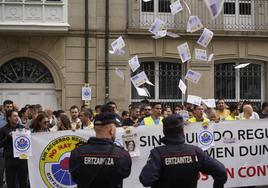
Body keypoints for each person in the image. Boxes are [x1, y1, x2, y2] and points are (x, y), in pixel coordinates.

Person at [139, 114, 227, 188]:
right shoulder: (195, 152)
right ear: (182, 130)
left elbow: (145, 179)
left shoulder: (157, 153)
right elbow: (221, 171)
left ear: (164, 131)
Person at [69, 112, 132, 188]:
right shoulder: (122, 155)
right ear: (112, 130)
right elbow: (124, 173)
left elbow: (75, 177)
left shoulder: (77, 153)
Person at [0, 110, 28, 188]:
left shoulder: (22, 128)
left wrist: (28, 134)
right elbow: (0, 144)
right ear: (9, 118)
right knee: (10, 183)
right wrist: (8, 137)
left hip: (22, 159)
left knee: (23, 183)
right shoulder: (3, 129)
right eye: (14, 116)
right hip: (10, 160)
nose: (17, 118)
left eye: (17, 116)